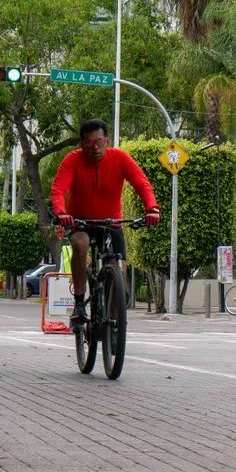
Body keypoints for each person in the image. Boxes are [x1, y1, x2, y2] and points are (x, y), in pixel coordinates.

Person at [51, 119, 160, 321]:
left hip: (111, 223)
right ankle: (79, 303)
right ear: (81, 144)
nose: (95, 148)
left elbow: (142, 184)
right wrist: (61, 213)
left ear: (107, 141)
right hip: (80, 222)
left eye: (99, 142)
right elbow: (58, 190)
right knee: (80, 245)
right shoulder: (72, 160)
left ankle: (115, 311)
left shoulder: (120, 158)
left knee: (117, 264)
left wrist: (152, 209)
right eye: (88, 143)